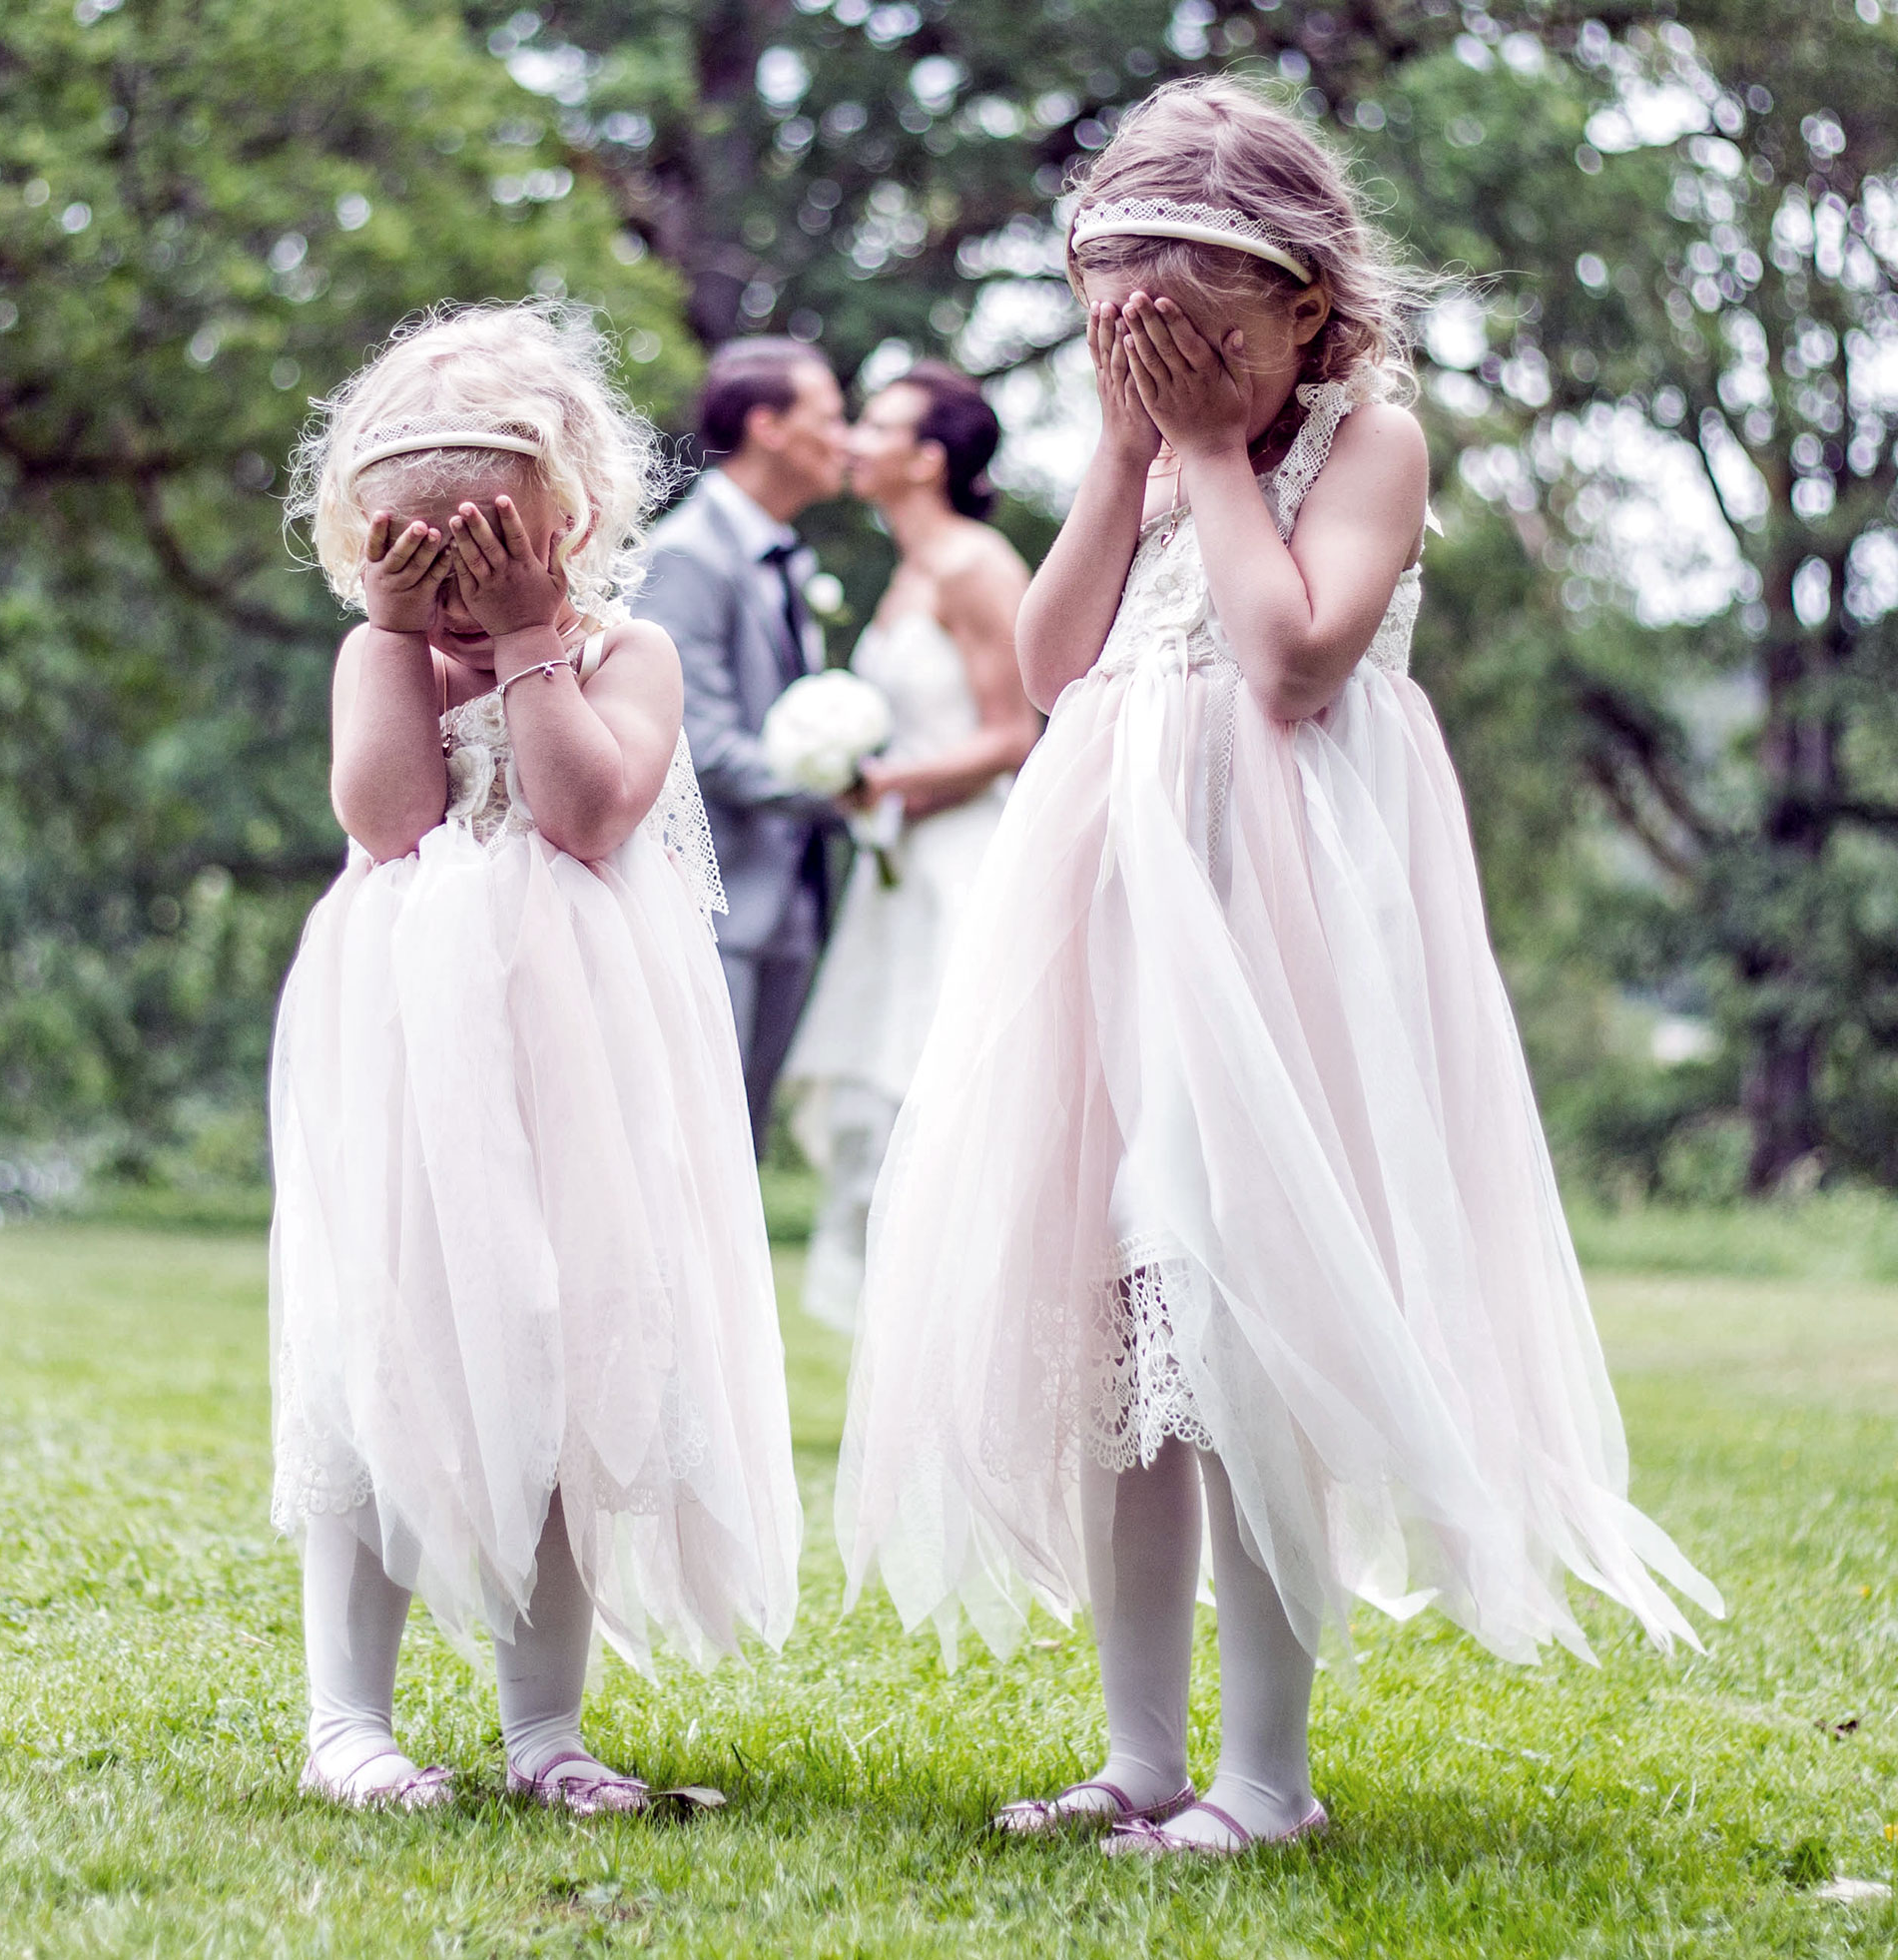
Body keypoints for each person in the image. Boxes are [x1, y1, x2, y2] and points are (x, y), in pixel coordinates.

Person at [835, 78, 1722, 1859]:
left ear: (1307, 307)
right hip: (1113, 916)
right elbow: (1053, 666)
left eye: (1199, 341)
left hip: (1278, 923)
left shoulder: (1365, 440)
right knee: (1120, 1334)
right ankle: (1140, 1751)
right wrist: (1119, 459)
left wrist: (1219, 459)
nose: (1158, 372)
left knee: (1243, 1325)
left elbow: (1296, 654)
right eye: (1123, 342)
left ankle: (1267, 1771)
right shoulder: (1143, 449)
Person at [270, 301, 799, 1812]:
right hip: (402, 1061)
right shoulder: (381, 656)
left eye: (480, 554)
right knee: (381, 1360)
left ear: (564, 523)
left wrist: (525, 641)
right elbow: (386, 820)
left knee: (565, 1356)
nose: (448, 594)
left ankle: (543, 1726)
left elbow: (583, 811)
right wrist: (396, 640)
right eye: (415, 561)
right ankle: (344, 1718)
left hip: (577, 1058)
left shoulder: (624, 653)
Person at [780, 364, 1037, 1331]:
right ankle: (908, 1329)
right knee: (879, 1089)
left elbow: (1015, 732)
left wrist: (885, 781)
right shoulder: (904, 571)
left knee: (950, 1083)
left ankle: (981, 1317)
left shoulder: (977, 565)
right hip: (897, 865)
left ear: (928, 458)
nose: (850, 439)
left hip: (963, 860)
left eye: (876, 425)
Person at [633, 337, 851, 1152]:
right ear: (768, 427)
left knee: (739, 1154)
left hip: (789, 897)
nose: (848, 438)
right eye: (830, 418)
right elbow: (697, 744)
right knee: (692, 1151)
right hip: (712, 899)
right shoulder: (687, 556)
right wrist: (854, 790)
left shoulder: (787, 562)